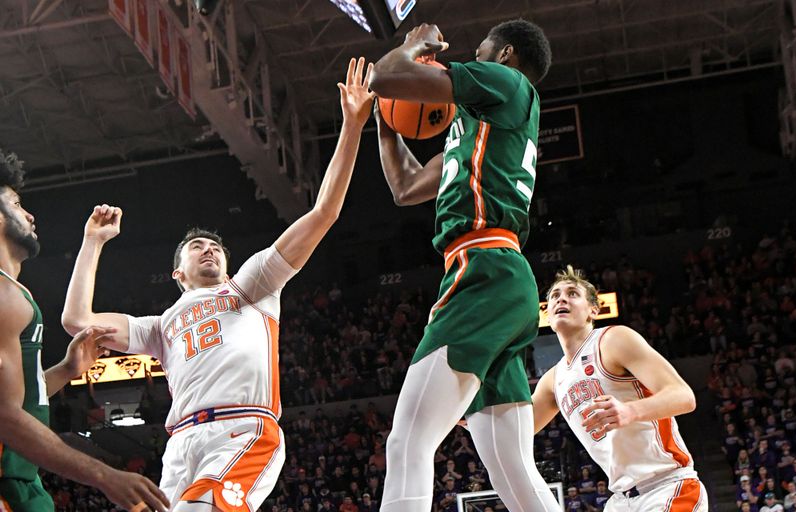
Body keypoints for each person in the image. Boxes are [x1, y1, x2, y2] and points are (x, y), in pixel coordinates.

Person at [61, 58, 376, 512]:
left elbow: (322, 213)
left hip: (242, 430)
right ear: (177, 273)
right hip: (180, 443)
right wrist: (92, 243)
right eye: (197, 247)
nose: (209, 249)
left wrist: (350, 127)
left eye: (215, 247)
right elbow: (77, 321)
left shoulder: (250, 288)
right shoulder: (160, 325)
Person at [368, 20, 559, 512]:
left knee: (408, 441)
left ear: (506, 55)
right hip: (500, 276)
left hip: (484, 268)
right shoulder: (478, 122)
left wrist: (411, 48)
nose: (472, 56)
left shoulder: (510, 82)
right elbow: (405, 187)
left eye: (480, 51)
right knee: (514, 470)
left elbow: (385, 75)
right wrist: (386, 123)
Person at [0, 151, 169, 511]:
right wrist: (104, 475)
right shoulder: (2, 295)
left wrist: (66, 370)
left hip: (21, 479)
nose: (30, 214)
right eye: (15, 204)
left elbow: (15, 396)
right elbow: (3, 414)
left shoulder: (14, 294)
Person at [531, 266, 708, 512]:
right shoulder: (552, 380)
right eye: (555, 296)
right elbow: (518, 429)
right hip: (621, 500)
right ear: (548, 314)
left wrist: (630, 411)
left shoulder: (613, 340)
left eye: (572, 294)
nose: (561, 298)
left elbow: (684, 396)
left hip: (667, 487)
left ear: (593, 310)